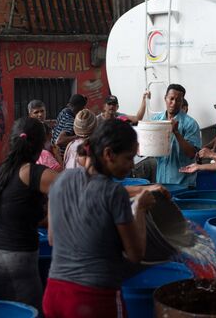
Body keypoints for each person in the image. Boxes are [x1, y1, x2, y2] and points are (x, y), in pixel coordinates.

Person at [43, 119, 156, 318]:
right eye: (128, 158)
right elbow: (135, 254)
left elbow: (53, 239)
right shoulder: (113, 193)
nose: (131, 166)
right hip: (92, 299)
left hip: (55, 294)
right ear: (108, 154)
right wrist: (139, 207)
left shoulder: (60, 180)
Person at [0, 117, 58, 312]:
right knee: (30, 313)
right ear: (40, 145)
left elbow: (18, 215)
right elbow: (80, 188)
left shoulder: (3, 169)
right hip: (12, 263)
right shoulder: (33, 173)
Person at [151, 84, 201, 186]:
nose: (174, 103)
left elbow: (192, 153)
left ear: (182, 102)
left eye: (178, 100)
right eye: (171, 99)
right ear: (165, 98)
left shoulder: (190, 124)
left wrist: (176, 133)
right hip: (162, 182)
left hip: (183, 184)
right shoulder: (155, 120)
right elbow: (149, 146)